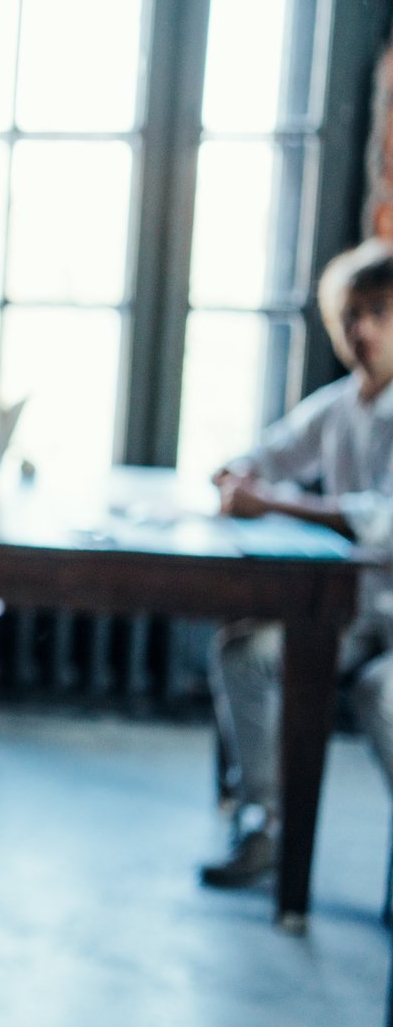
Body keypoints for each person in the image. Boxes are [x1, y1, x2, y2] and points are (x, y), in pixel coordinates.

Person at [201, 238, 393, 888]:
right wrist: (241, 475)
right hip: (350, 618)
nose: (361, 329)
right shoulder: (343, 403)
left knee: (384, 697)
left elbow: (381, 520)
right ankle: (263, 821)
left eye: (379, 312)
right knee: (244, 652)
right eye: (351, 314)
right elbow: (269, 452)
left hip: (387, 624)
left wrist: (272, 501)